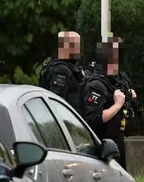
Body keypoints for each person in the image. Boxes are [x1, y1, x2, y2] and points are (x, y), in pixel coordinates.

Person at [79, 39, 133, 171]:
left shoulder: (116, 79)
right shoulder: (96, 85)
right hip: (102, 146)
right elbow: (93, 119)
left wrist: (129, 97)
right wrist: (117, 105)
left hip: (117, 142)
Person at [38, 31, 86, 110]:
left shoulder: (70, 68)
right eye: (74, 45)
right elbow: (56, 103)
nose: (78, 49)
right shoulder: (61, 70)